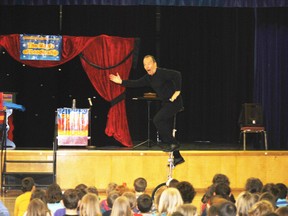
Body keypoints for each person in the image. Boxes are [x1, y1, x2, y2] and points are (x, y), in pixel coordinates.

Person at [109, 55, 184, 166]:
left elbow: (177, 74)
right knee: (165, 128)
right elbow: (136, 83)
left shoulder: (162, 72)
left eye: (149, 63)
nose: (146, 66)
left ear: (155, 64)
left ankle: (174, 144)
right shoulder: (148, 78)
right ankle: (178, 157)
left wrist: (177, 91)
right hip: (166, 103)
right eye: (144, 65)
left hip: (175, 102)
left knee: (157, 120)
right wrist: (121, 82)